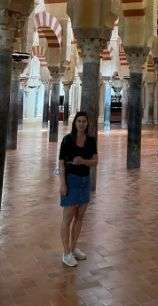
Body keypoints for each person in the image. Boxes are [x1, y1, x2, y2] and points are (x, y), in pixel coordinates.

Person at [59, 111, 98, 267]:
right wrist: (62, 183)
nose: (82, 123)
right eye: (79, 121)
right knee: (68, 218)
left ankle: (74, 248)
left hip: (84, 181)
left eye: (84, 121)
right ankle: (66, 252)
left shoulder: (90, 141)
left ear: (87, 124)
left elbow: (95, 161)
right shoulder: (67, 140)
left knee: (80, 217)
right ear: (75, 123)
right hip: (71, 180)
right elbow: (61, 163)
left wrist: (83, 161)